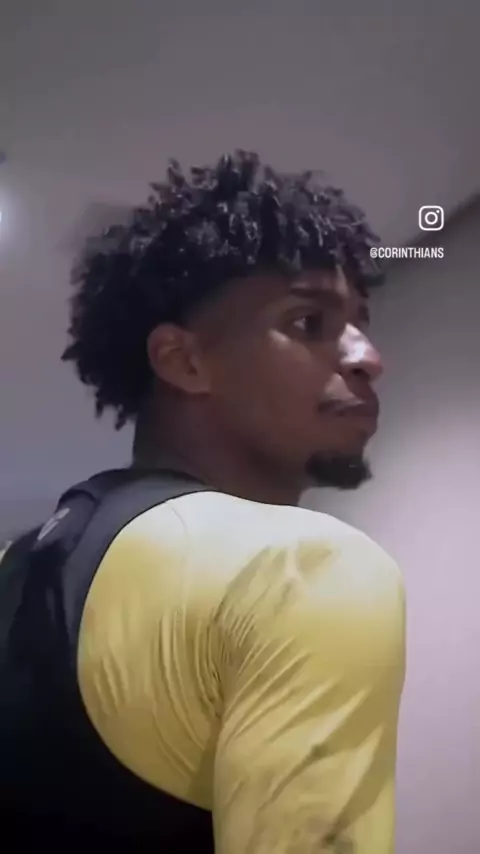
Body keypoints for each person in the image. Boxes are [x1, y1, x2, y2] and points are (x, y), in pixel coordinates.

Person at [1, 152, 405, 852]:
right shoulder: (303, 570)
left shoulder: (17, 566)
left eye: (360, 323)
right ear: (184, 361)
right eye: (309, 322)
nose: (368, 356)